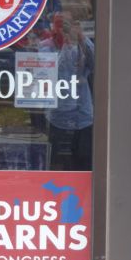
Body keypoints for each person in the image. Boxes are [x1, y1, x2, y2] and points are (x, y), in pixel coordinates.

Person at [42, 14, 93, 170]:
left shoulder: (82, 45)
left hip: (82, 115)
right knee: (58, 163)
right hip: (58, 116)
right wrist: (66, 44)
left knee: (83, 162)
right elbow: (55, 72)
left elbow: (99, 63)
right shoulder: (46, 46)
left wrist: (82, 38)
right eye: (60, 24)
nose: (64, 28)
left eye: (67, 24)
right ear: (53, 27)